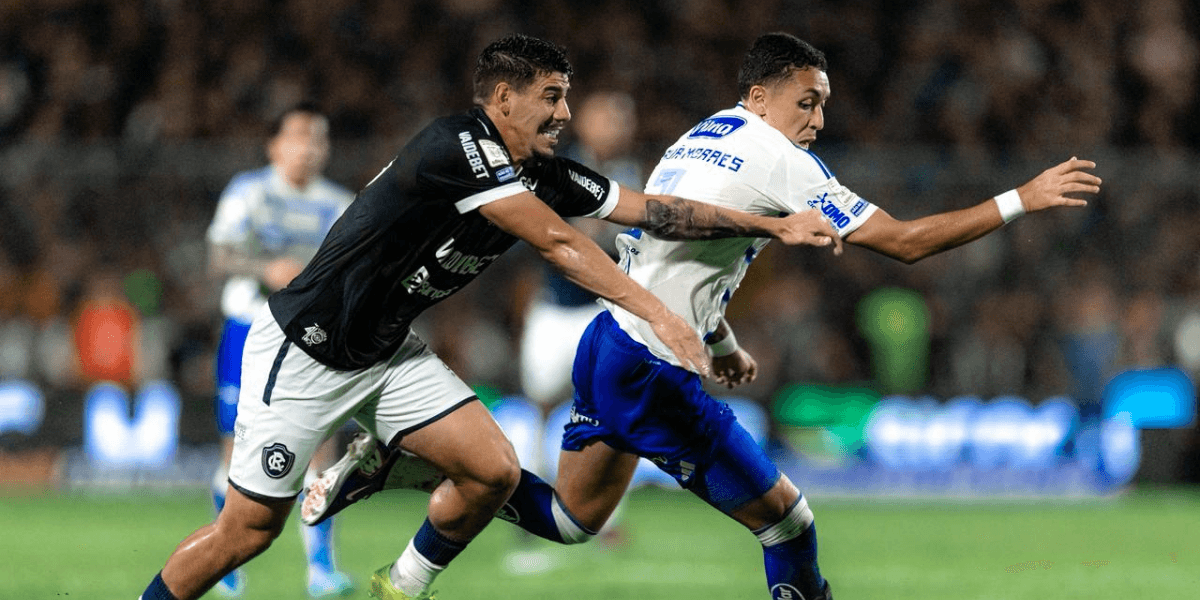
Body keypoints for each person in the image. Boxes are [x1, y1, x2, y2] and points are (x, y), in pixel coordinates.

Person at [301, 32, 1102, 600]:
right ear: (761, 95)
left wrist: (719, 334)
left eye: (823, 107)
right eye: (806, 101)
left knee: (573, 521)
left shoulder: (701, 137)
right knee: (789, 523)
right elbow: (903, 243)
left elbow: (681, 249)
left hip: (611, 342)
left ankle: (404, 519)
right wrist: (1019, 199)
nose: (816, 121)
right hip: (651, 362)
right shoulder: (783, 159)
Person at [138, 33, 839, 600]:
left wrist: (768, 226)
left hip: (386, 352)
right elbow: (560, 242)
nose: (565, 115)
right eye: (552, 98)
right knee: (247, 532)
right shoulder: (456, 147)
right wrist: (663, 315)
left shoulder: (539, 170)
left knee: (494, 473)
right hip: (308, 349)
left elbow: (649, 209)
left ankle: (397, 551)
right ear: (504, 98)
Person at [204, 102, 356, 598]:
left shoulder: (338, 202)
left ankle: (321, 571)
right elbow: (220, 257)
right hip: (249, 329)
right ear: (274, 145)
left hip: (311, 335)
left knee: (323, 449)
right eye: (298, 137)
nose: (309, 147)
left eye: (319, 138)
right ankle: (225, 564)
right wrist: (266, 269)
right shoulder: (249, 193)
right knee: (236, 449)